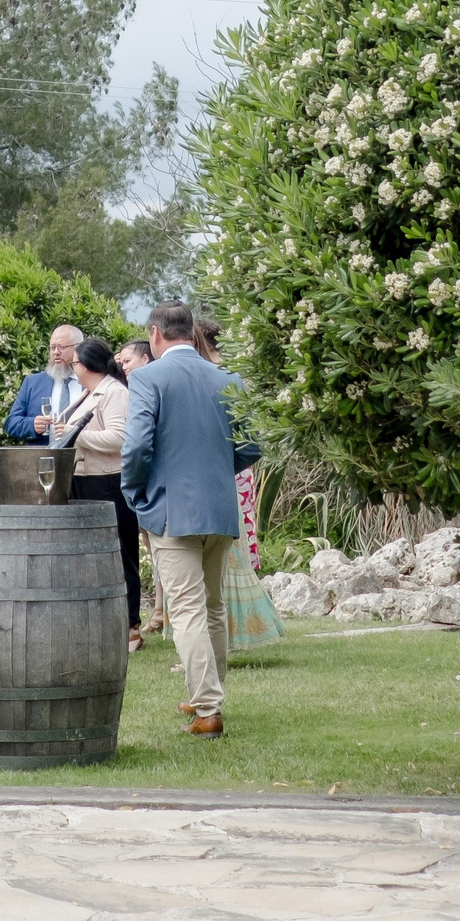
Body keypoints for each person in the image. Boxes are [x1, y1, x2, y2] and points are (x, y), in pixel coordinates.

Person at [120, 300, 259, 739]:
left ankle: (207, 708)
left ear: (156, 334)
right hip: (219, 508)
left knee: (186, 611)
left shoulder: (147, 378)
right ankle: (207, 694)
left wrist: (134, 491)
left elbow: (138, 445)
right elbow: (253, 445)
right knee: (213, 608)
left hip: (171, 510)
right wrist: (217, 470)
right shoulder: (226, 377)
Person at [194, 317, 283, 654]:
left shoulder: (215, 376)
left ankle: (223, 635)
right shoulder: (233, 373)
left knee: (223, 559)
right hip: (237, 470)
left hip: (222, 473)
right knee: (234, 554)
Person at [51, 338, 141, 649]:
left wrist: (77, 435)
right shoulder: (88, 394)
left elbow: (120, 438)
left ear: (87, 366)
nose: (71, 368)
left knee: (120, 552)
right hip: (82, 478)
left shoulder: (114, 392)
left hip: (107, 481)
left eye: (74, 363)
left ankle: (131, 625)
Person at [2, 324, 83, 444]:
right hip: (43, 458)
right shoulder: (33, 383)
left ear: (78, 348)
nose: (56, 352)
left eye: (62, 347)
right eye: (52, 347)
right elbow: (10, 423)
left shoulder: (90, 383)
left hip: (82, 458)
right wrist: (31, 424)